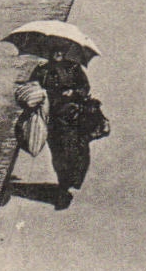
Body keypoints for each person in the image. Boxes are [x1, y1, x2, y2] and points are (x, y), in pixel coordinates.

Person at [27, 47, 95, 209]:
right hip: (52, 119)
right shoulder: (42, 70)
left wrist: (73, 92)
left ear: (65, 53)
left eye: (60, 51)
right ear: (49, 53)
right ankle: (63, 187)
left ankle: (71, 180)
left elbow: (85, 87)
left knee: (77, 151)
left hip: (74, 118)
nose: (57, 54)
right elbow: (31, 89)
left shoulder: (73, 68)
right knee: (59, 154)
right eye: (54, 51)